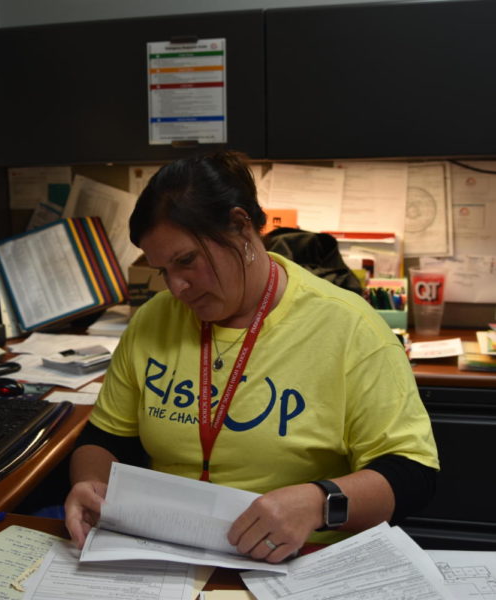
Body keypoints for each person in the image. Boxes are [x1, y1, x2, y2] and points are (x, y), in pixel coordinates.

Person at [63, 151, 439, 563]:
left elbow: (412, 475)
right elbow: (104, 438)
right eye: (162, 271)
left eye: (186, 261)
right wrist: (90, 484)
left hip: (295, 560)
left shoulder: (350, 328)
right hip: (168, 553)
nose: (177, 287)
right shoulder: (154, 320)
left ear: (241, 226)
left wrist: (317, 503)